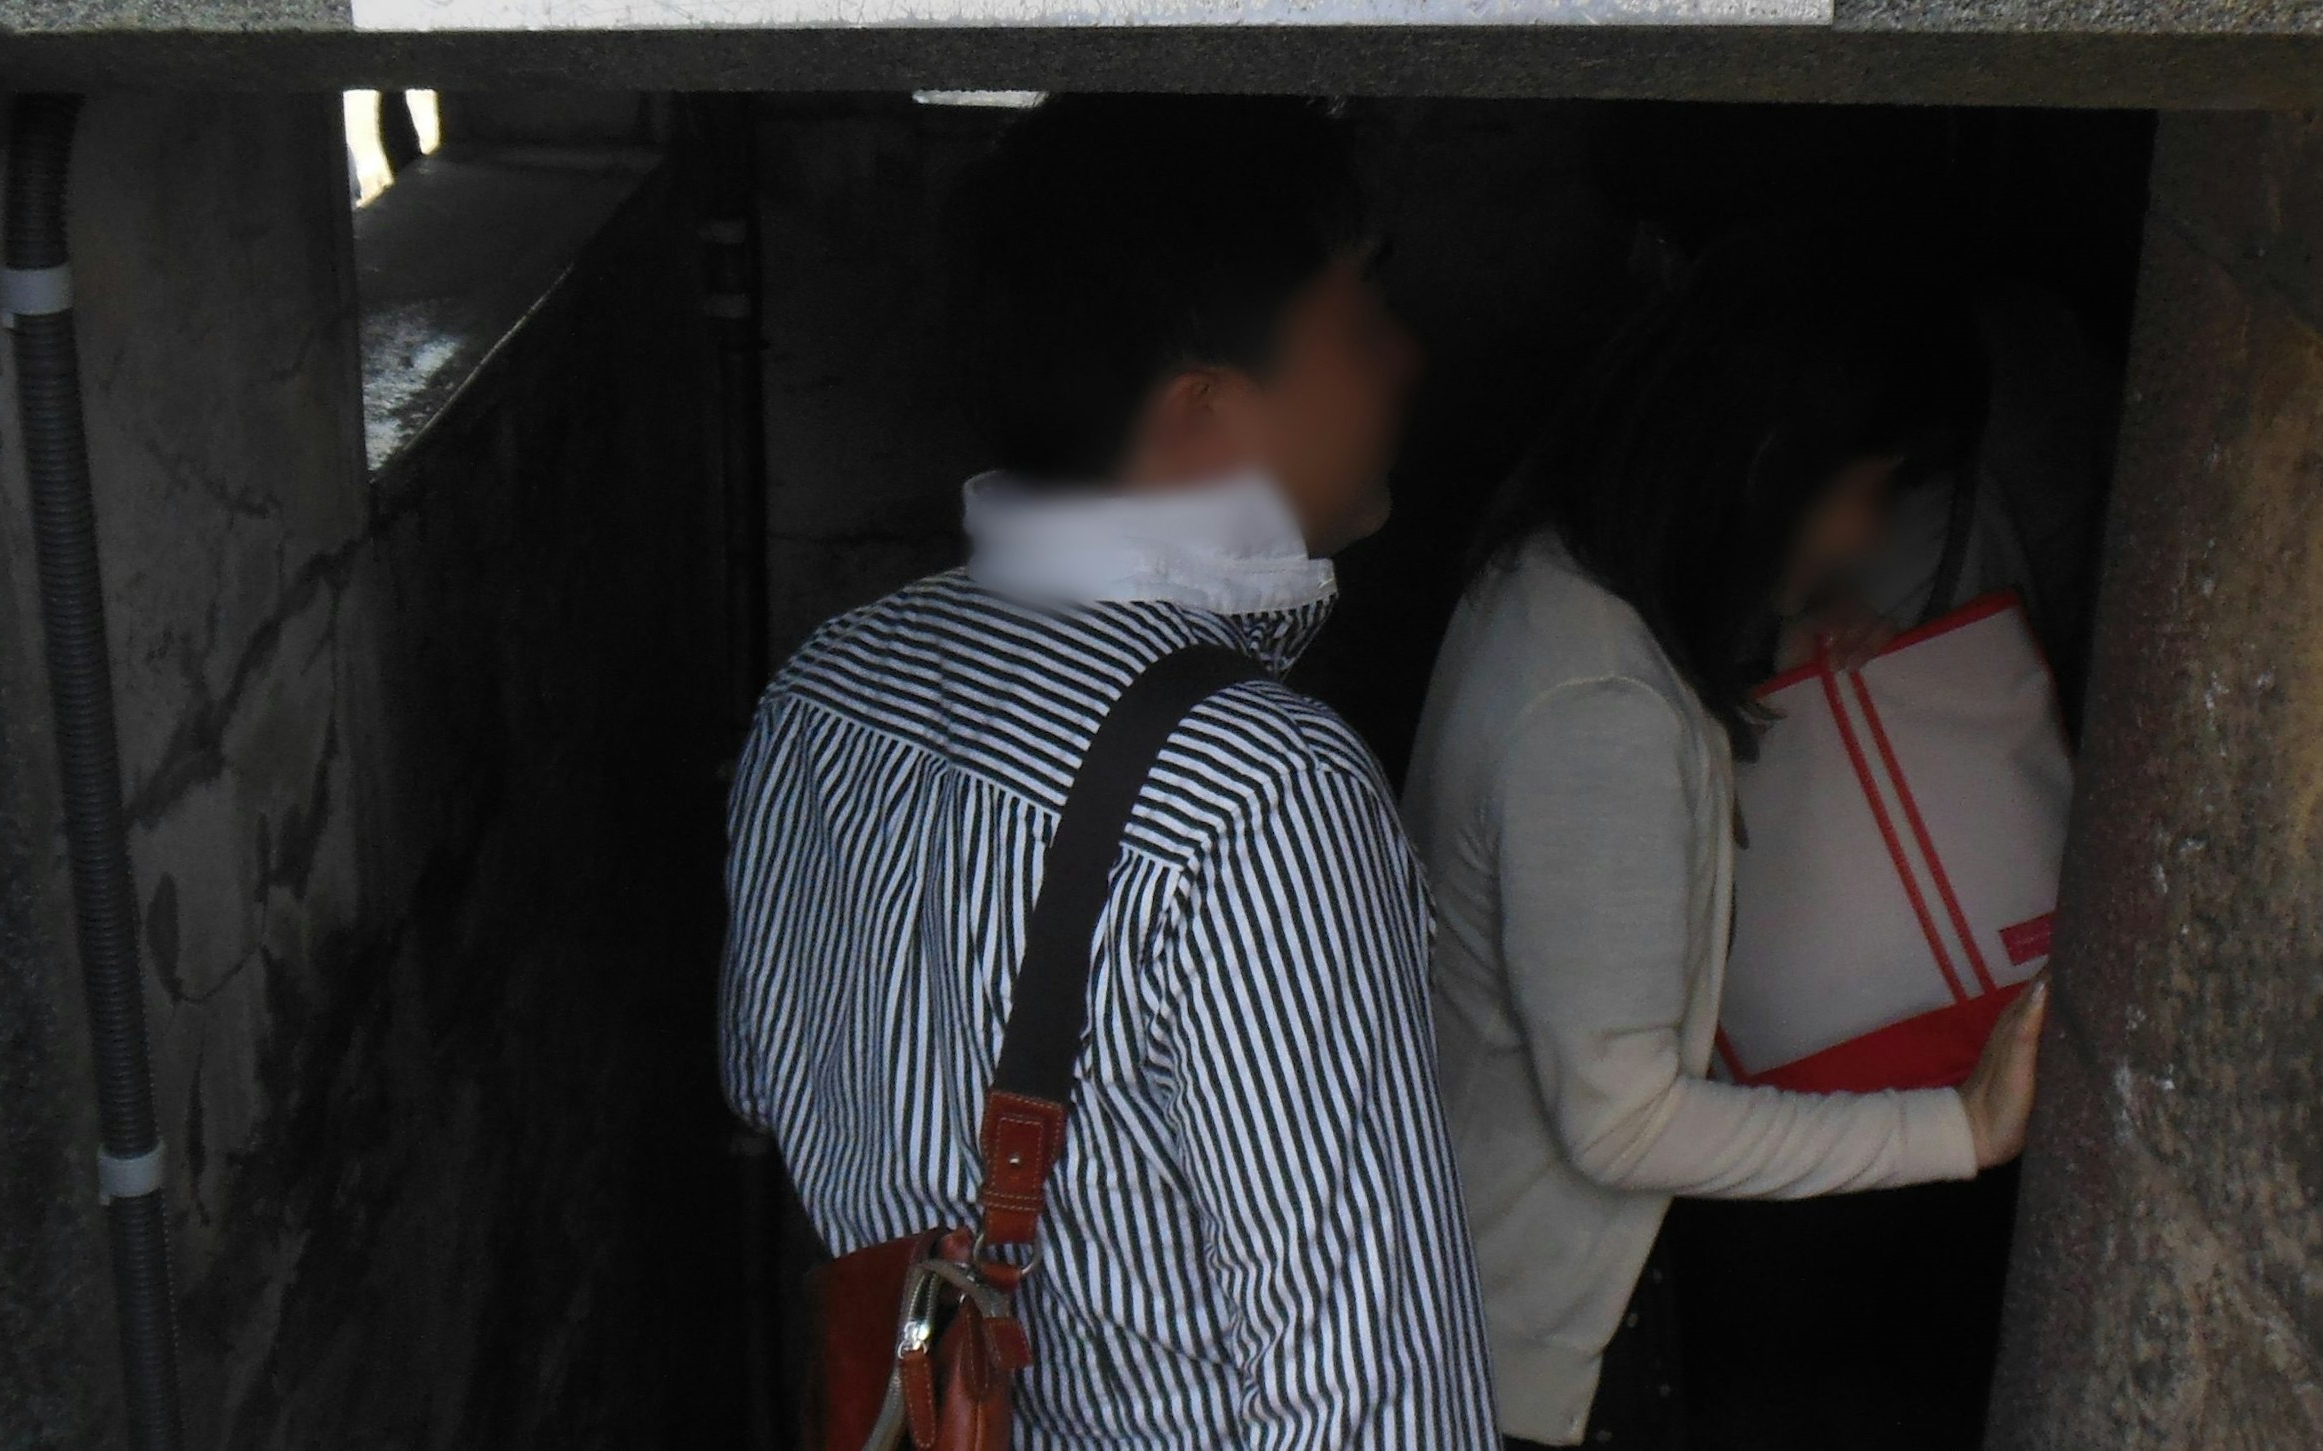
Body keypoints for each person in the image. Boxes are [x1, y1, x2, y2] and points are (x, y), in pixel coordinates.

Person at [721, 96, 1499, 1446]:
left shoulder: (825, 689)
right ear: (1205, 407)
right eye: (1359, 314)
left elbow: (765, 1079)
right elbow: (1374, 1402)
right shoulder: (1259, 791)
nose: (1405, 355)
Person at [1403, 260, 2045, 1451]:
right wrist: (1963, 1126)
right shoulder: (1603, 706)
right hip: (1528, 1331)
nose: (1868, 533)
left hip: (1496, 1279)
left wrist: (1760, 633)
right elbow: (1624, 1122)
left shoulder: (1554, 576)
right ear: (1765, 469)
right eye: (1865, 491)